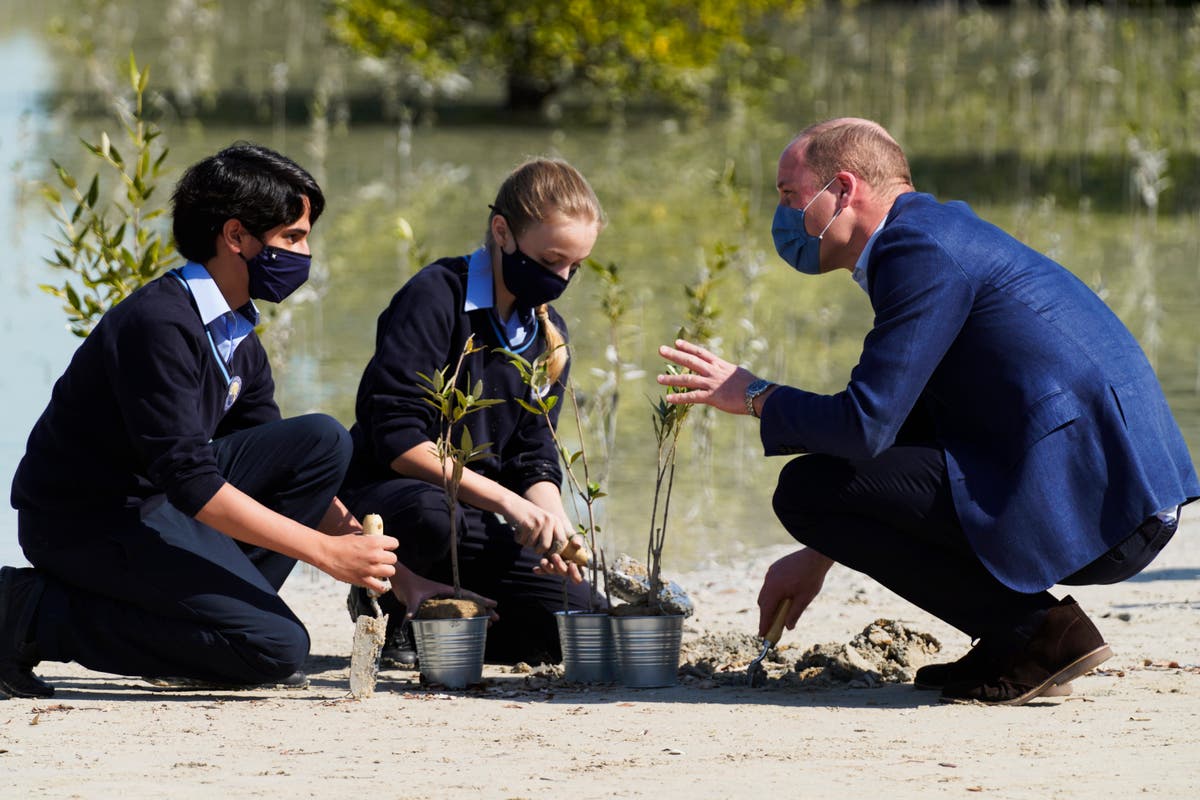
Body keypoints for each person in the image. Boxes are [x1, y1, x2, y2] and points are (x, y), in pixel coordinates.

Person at [657, 118, 1198, 705]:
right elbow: (906, 420)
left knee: (806, 490)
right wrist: (820, 554)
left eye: (790, 195)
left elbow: (864, 426)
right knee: (824, 487)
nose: (784, 214)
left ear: (841, 190)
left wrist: (756, 395)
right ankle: (1013, 638)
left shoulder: (918, 249)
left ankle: (1036, 634)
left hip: (1102, 508)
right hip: (1115, 494)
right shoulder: (929, 236)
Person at [1, 143, 463, 700]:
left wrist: (401, 582)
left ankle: (200, 626)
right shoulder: (159, 323)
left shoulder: (235, 329)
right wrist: (325, 555)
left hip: (159, 507)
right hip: (87, 521)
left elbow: (286, 468)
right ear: (237, 236)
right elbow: (192, 482)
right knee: (273, 649)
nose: (305, 253)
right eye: (292, 237)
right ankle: (25, 611)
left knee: (320, 441)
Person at [340, 157, 603, 666]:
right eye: (550, 261)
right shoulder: (435, 296)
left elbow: (534, 448)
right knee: (434, 518)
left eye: (575, 266)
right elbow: (394, 437)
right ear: (502, 231)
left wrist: (549, 519)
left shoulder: (550, 336)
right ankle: (387, 594)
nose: (562, 278)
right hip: (398, 498)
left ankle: (452, 622)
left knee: (574, 627)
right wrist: (508, 504)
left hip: (478, 513)